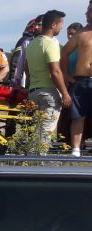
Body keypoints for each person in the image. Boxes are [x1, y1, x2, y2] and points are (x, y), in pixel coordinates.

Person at [25, 10, 71, 150]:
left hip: (33, 91)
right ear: (53, 24)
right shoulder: (50, 44)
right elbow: (55, 71)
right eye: (60, 25)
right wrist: (65, 93)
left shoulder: (32, 44)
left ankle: (32, 158)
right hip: (48, 93)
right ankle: (38, 161)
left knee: (37, 130)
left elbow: (27, 69)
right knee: (45, 131)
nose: (61, 28)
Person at [62, 4, 92, 156]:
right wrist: (66, 74)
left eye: (89, 10)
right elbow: (64, 53)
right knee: (78, 115)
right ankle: (75, 150)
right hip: (81, 80)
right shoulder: (81, 34)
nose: (86, 13)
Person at [11, 15, 44, 88]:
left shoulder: (53, 42)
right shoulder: (26, 41)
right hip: (28, 80)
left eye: (39, 25)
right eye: (34, 25)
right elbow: (19, 62)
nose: (35, 27)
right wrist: (16, 79)